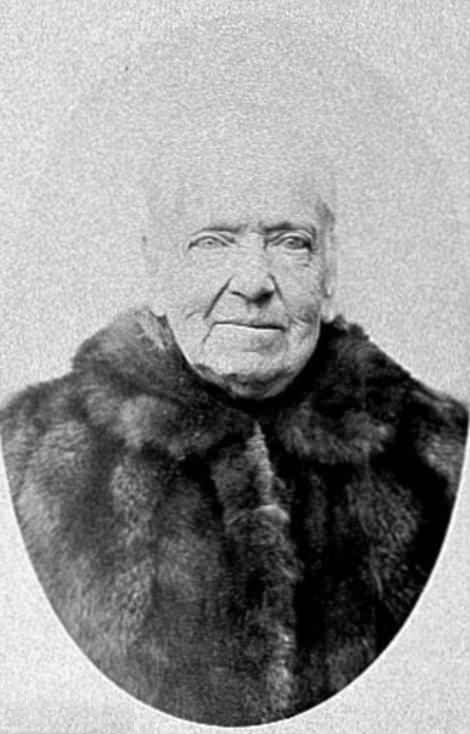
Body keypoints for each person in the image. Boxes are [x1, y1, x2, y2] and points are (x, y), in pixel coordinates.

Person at [1, 120, 467, 725]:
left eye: (291, 242)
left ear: (328, 274)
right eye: (213, 242)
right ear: (157, 269)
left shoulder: (439, 456)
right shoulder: (25, 454)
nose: (253, 283)